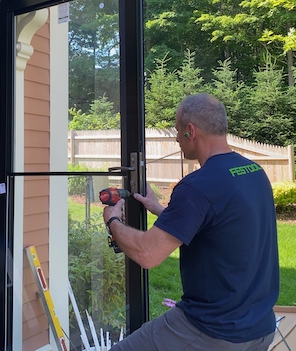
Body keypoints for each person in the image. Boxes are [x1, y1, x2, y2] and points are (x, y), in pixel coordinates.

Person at [103, 93, 279, 351]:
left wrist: (113, 221)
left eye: (177, 130)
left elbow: (148, 254)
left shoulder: (198, 186)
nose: (176, 138)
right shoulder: (253, 172)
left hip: (211, 330)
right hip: (260, 329)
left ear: (191, 131)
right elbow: (219, 226)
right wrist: (159, 210)